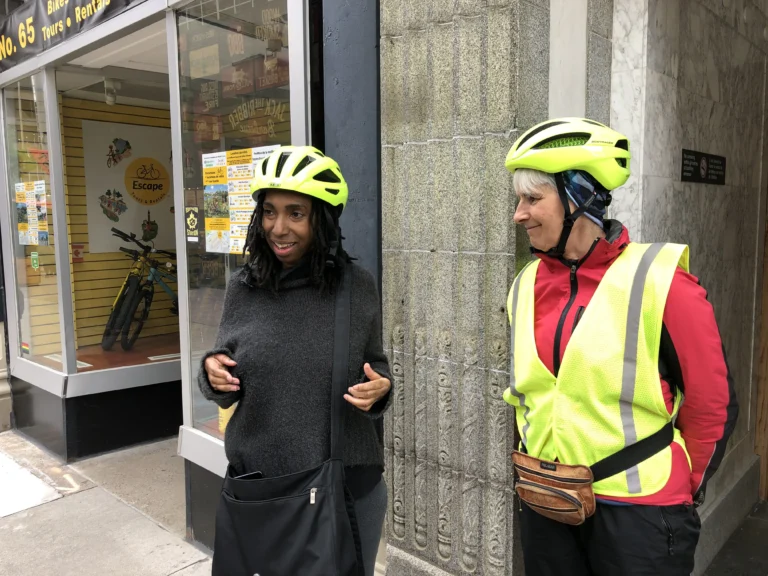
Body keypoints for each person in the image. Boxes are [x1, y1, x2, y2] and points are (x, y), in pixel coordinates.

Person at [502, 118, 738, 576]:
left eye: (533, 199)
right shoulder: (524, 284)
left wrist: (683, 491)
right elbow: (528, 396)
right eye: (519, 200)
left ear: (580, 198)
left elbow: (713, 404)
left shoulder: (661, 279)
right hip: (550, 505)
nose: (519, 213)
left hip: (641, 516)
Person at [199, 145, 392, 574]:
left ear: (321, 219)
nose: (278, 227)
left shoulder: (355, 287)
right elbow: (222, 371)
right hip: (261, 493)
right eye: (269, 212)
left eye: (295, 214)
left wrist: (380, 387)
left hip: (343, 490)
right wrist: (212, 375)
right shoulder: (243, 288)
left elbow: (375, 364)